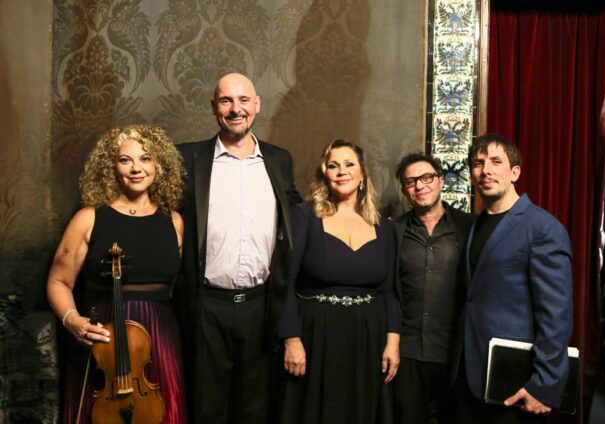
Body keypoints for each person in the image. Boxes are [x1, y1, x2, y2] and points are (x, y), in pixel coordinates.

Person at [176, 72, 301, 423]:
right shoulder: (188, 157)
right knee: (206, 409)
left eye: (244, 100)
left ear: (257, 104)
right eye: (226, 101)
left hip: (261, 307)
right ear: (214, 107)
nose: (236, 109)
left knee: (255, 410)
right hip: (206, 305)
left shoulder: (279, 160)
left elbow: (300, 217)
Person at [46, 124, 187, 423]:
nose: (136, 168)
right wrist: (73, 320)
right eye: (125, 160)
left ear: (159, 165)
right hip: (104, 340)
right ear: (110, 167)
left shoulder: (174, 221)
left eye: (145, 158)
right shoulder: (88, 218)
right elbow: (58, 281)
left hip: (159, 338)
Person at [278, 139, 400, 424]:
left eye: (349, 164)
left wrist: (392, 342)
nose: (342, 171)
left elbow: (389, 290)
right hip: (316, 335)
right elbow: (285, 282)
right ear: (325, 175)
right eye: (333, 166)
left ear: (362, 173)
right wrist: (291, 339)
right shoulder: (304, 216)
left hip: (367, 338)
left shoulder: (383, 226)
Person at [454, 133, 573, 423]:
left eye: (496, 162)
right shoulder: (475, 225)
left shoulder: (542, 228)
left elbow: (556, 315)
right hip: (468, 376)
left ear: (515, 173)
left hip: (515, 380)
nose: (486, 170)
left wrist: (544, 385)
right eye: (478, 163)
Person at [392, 153, 474, 423]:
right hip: (407, 354)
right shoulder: (393, 231)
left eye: (427, 177)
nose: (420, 186)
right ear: (405, 191)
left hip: (456, 355)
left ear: (441, 181)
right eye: (411, 181)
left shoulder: (469, 227)